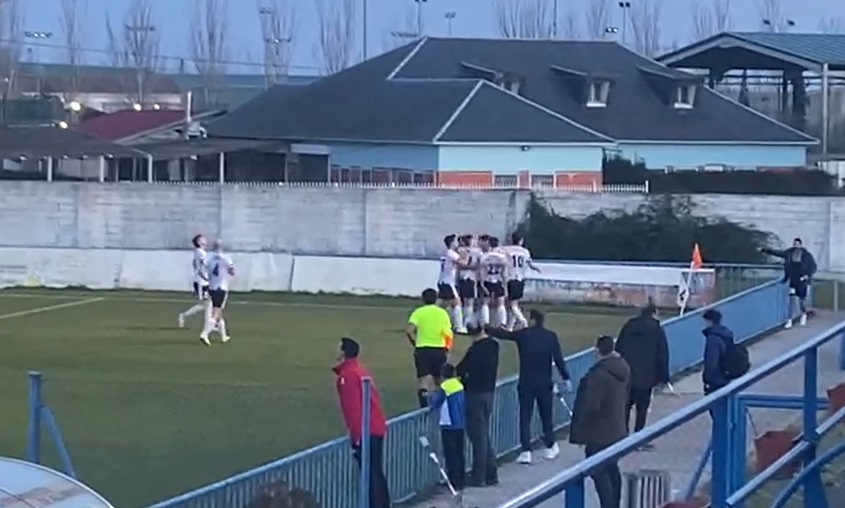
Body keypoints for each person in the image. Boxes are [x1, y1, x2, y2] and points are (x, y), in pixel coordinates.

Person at [486, 309, 571, 464]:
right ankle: (550, 446)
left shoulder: (523, 335)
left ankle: (526, 451)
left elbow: (505, 335)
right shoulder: (551, 337)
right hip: (545, 383)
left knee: (525, 417)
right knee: (546, 416)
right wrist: (566, 377)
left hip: (526, 383)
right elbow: (558, 359)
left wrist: (486, 328)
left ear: (531, 320)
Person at [569, 335, 630, 508]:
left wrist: (581, 433)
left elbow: (590, 407)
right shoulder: (622, 369)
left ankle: (608, 505)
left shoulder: (599, 375)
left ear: (597, 350)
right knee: (611, 468)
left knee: (599, 471)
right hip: (616, 429)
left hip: (599, 433)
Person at [333, 338, 391, 508]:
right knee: (375, 471)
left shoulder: (348, 375)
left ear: (344, 352)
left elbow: (353, 409)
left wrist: (357, 436)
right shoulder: (359, 371)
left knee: (370, 473)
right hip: (375, 426)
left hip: (367, 430)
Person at [614, 303, 669, 443]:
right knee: (642, 409)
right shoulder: (657, 329)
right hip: (646, 376)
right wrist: (664, 378)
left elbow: (618, 348)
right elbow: (662, 354)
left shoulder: (629, 326)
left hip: (626, 374)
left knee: (625, 406)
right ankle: (639, 439)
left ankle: (622, 437)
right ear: (654, 313)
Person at [456, 323, 500, 486]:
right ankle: (491, 472)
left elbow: (461, 368)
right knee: (484, 434)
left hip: (475, 394)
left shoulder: (474, 351)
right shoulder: (493, 346)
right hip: (489, 393)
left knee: (477, 436)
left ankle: (479, 475)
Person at [407, 288, 454, 408]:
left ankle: (424, 406)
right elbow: (448, 334)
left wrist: (415, 343)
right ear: (436, 299)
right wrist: (447, 349)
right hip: (439, 349)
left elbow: (409, 331)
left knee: (423, 380)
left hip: (423, 349)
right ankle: (440, 404)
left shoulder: (418, 312)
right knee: (439, 379)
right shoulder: (442, 313)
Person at [761, 238, 817, 328]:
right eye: (795, 244)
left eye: (798, 244)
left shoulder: (806, 255)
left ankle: (803, 314)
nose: (796, 246)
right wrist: (766, 250)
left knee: (801, 301)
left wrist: (807, 275)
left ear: (801, 245)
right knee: (791, 300)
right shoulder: (790, 253)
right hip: (792, 279)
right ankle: (789, 320)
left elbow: (813, 266)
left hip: (802, 280)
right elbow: (779, 253)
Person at [427, 363, 466, 492]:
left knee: (450, 454)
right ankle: (461, 480)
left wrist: (430, 393)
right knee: (459, 453)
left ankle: (453, 481)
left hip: (449, 424)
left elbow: (434, 403)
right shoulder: (458, 384)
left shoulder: (445, 387)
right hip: (460, 422)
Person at [501, 233, 541, 330]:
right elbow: (530, 264)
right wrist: (536, 269)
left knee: (511, 304)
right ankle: (510, 327)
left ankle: (523, 321)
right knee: (513, 304)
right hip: (520, 278)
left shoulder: (506, 250)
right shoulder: (525, 251)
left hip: (510, 278)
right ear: (521, 241)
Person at [201, 240, 234, 345]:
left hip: (212, 287)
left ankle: (223, 336)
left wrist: (206, 278)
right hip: (221, 287)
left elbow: (202, 269)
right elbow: (232, 272)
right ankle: (205, 333)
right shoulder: (226, 258)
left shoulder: (209, 258)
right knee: (216, 312)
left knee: (219, 312)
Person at [178, 234, 210, 328]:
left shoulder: (200, 252)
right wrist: (205, 277)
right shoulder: (200, 253)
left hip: (204, 281)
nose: (205, 239)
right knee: (204, 303)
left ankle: (209, 323)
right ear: (199, 242)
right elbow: (204, 266)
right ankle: (183, 315)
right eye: (202, 239)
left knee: (207, 303)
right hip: (201, 282)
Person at [438, 234, 468, 333]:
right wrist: (465, 254)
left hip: (443, 280)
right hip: (448, 281)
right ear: (451, 243)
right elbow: (463, 263)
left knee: (442, 304)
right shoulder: (452, 254)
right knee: (457, 302)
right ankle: (458, 327)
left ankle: (439, 322)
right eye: (455, 241)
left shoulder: (445, 253)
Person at [702, 308, 734, 397]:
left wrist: (707, 379)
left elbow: (711, 361)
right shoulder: (726, 335)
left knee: (716, 407)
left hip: (716, 381)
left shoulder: (713, 338)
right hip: (726, 377)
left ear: (709, 321)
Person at [478, 236, 508, 327]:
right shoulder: (502, 257)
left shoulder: (485, 256)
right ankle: (502, 323)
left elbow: (482, 271)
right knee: (500, 302)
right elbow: (504, 272)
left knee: (485, 302)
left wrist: (482, 283)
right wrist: (505, 284)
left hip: (487, 280)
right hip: (498, 280)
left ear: (489, 244)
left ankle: (485, 322)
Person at [457, 234, 482, 328]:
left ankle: (462, 321)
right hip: (470, 278)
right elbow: (480, 263)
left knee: (462, 302)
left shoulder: (460, 250)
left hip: (461, 277)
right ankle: (466, 323)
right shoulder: (477, 251)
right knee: (470, 302)